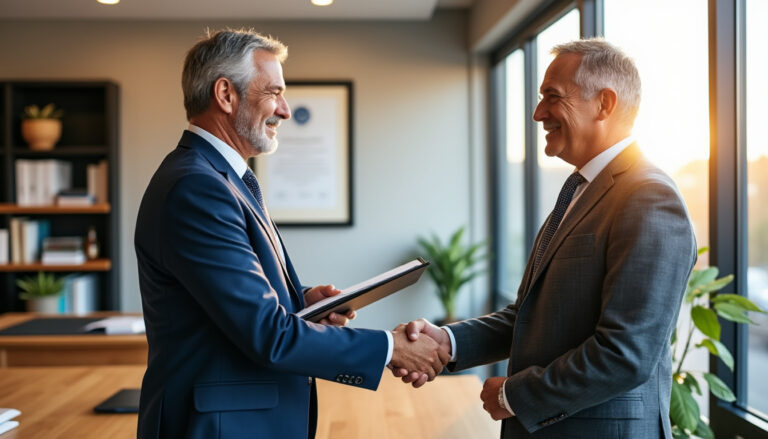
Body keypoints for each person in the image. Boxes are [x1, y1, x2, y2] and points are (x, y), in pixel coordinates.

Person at [134, 28, 449, 439]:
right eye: (274, 93)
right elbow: (267, 333)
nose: (285, 110)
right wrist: (390, 348)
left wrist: (301, 302)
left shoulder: (218, 178)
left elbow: (227, 302)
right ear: (225, 95)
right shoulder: (197, 187)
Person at [395, 38, 697, 438]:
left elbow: (625, 355)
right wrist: (447, 341)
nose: (538, 113)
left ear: (604, 104)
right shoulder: (580, 190)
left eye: (552, 97)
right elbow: (530, 317)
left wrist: (514, 396)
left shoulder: (649, 198)